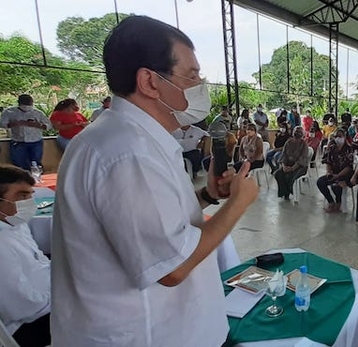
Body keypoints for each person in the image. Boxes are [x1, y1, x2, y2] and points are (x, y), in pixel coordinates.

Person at [51, 16, 260, 347]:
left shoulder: (124, 138)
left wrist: (205, 196)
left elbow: (152, 220)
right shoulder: (127, 153)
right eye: (191, 76)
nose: (200, 85)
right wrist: (239, 203)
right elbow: (172, 267)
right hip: (147, 334)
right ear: (149, 81)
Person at [0, 165, 51, 347]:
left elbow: (41, 262)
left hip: (45, 301)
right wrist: (61, 296)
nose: (30, 202)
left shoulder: (16, 224)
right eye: (22, 196)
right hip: (25, 325)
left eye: (31, 195)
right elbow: (18, 306)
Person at [0, 94, 51, 170]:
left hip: (35, 141)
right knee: (19, 164)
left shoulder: (38, 113)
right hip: (18, 141)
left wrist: (38, 125)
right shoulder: (9, 112)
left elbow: (49, 126)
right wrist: (15, 123)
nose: (27, 106)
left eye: (29, 104)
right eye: (25, 104)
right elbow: (2, 124)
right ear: (19, 103)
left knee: (36, 163)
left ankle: (35, 177)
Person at [318, 129, 355, 212]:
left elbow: (349, 167)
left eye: (340, 136)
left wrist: (337, 176)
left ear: (345, 137)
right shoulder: (332, 148)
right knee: (320, 182)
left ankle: (339, 203)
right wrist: (328, 172)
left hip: (344, 174)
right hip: (333, 173)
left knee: (337, 184)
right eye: (336, 136)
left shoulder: (348, 149)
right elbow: (328, 162)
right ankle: (331, 201)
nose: (338, 138)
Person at [274, 126, 310, 201]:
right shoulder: (288, 142)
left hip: (300, 166)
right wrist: (284, 166)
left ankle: (289, 191)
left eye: (299, 132)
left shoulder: (304, 144)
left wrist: (292, 168)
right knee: (278, 174)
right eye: (296, 131)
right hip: (288, 165)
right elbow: (284, 155)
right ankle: (284, 192)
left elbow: (302, 159)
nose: (297, 133)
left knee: (289, 176)